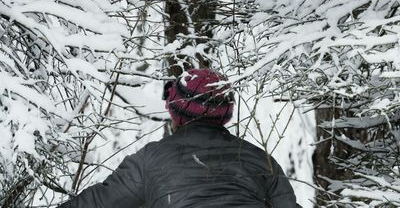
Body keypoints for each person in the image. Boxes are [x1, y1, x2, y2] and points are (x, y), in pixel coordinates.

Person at [59, 69, 299, 207]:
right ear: (225, 114)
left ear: (176, 113)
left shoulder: (150, 159)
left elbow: (99, 203)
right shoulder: (259, 159)